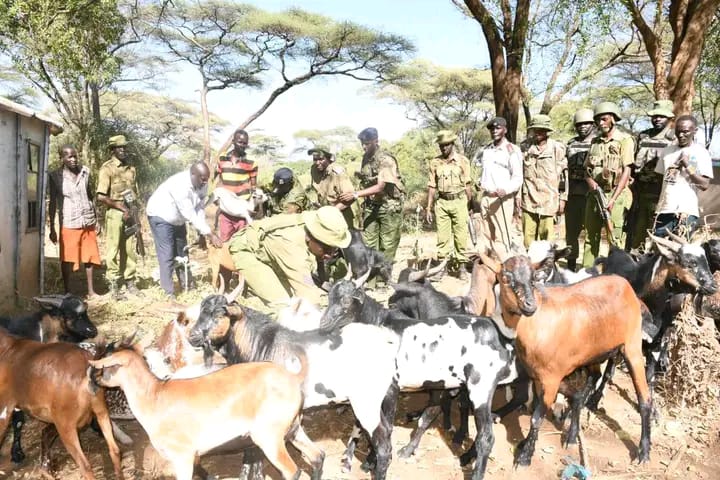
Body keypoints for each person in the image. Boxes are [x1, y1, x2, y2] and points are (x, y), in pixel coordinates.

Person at [227, 206, 351, 306]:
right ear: (310, 237)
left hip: (273, 248)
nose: (329, 255)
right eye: (326, 249)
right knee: (282, 305)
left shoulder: (316, 221)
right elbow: (308, 294)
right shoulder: (293, 249)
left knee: (296, 295)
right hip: (248, 249)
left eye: (334, 249)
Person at [146, 162, 223, 298]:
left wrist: (203, 232)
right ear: (192, 174)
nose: (205, 182)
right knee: (167, 254)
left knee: (182, 252)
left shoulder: (203, 184)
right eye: (202, 179)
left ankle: (187, 284)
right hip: (161, 216)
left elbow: (199, 208)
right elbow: (189, 213)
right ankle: (168, 292)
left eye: (207, 179)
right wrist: (210, 234)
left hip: (178, 219)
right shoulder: (179, 185)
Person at [338, 127, 405, 263]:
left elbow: (381, 186)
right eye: (362, 143)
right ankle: (370, 279)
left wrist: (356, 194)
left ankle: (382, 281)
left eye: (367, 143)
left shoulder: (385, 159)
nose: (364, 146)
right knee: (369, 243)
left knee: (387, 245)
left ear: (376, 141)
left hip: (389, 206)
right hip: (371, 206)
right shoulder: (366, 158)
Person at [582, 102, 634, 267]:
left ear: (613, 118)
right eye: (597, 120)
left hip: (615, 195)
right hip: (595, 195)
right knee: (591, 237)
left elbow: (627, 171)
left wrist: (613, 199)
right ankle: (588, 272)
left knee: (614, 237)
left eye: (604, 119)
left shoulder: (624, 140)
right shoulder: (595, 142)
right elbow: (586, 170)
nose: (600, 123)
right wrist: (592, 185)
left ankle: (615, 272)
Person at [48, 145, 102, 297]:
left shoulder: (85, 172)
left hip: (87, 219)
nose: (72, 159)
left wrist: (97, 218)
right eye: (68, 156)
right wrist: (52, 227)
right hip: (70, 221)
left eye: (74, 156)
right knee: (67, 258)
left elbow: (90, 194)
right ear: (62, 158)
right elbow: (53, 202)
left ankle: (91, 291)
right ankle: (68, 292)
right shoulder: (56, 176)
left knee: (89, 255)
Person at [96, 135, 142, 298]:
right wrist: (121, 208)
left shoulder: (131, 168)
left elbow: (133, 193)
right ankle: (114, 285)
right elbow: (101, 197)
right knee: (113, 248)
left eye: (124, 147)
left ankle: (129, 281)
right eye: (119, 147)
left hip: (130, 212)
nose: (123, 150)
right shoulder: (107, 169)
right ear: (113, 150)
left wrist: (134, 212)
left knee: (129, 249)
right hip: (115, 212)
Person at [654, 115, 713, 238]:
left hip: (686, 212)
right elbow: (662, 180)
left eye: (685, 131)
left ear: (694, 131)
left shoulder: (701, 153)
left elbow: (704, 184)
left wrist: (688, 165)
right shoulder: (667, 151)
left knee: (681, 253)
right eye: (678, 131)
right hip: (664, 210)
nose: (681, 135)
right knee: (659, 252)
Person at [628, 99, 676, 249]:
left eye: (661, 116)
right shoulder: (643, 136)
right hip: (640, 192)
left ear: (669, 118)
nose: (657, 119)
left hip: (662, 194)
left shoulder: (674, 138)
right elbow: (632, 163)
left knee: (660, 234)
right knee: (637, 232)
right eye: (655, 116)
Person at [474, 117, 523, 261]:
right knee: (487, 234)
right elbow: (485, 172)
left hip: (502, 199)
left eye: (498, 128)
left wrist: (506, 190)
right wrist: (479, 182)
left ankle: (505, 267)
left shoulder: (512, 150)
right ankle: (491, 267)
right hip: (486, 197)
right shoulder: (487, 150)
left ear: (505, 130)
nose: (494, 131)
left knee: (503, 236)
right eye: (492, 129)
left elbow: (518, 177)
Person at [426, 130, 473, 280]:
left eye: (446, 145)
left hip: (459, 201)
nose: (443, 148)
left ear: (452, 144)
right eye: (441, 145)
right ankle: (442, 268)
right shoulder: (434, 162)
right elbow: (432, 186)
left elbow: (468, 185)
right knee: (443, 237)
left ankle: (462, 267)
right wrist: (428, 208)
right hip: (442, 203)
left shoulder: (463, 161)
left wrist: (470, 205)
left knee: (461, 236)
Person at [519, 115, 567, 248]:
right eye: (536, 130)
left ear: (547, 131)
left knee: (548, 238)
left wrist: (563, 199)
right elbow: (519, 174)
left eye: (542, 130)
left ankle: (547, 265)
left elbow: (563, 177)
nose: (538, 133)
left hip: (550, 200)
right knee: (528, 237)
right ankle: (531, 264)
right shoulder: (525, 147)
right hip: (528, 198)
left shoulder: (557, 148)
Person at [565, 108, 595, 271]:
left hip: (591, 193)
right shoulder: (571, 143)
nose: (582, 127)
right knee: (571, 233)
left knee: (591, 233)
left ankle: (589, 267)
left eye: (586, 124)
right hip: (573, 193)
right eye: (579, 124)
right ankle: (570, 264)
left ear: (593, 124)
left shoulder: (598, 142)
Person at [215, 129, 258, 242]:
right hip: (226, 210)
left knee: (241, 243)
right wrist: (217, 196)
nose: (243, 145)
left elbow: (254, 186)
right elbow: (220, 181)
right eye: (240, 142)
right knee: (224, 242)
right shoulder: (222, 158)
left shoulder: (251, 162)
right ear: (233, 141)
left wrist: (254, 207)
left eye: (245, 143)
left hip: (242, 211)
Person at [306, 146, 356, 227]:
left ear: (329, 159)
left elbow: (351, 197)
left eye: (321, 159)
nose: (317, 162)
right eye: (315, 160)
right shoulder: (314, 169)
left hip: (341, 216)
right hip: (324, 215)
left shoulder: (337, 172)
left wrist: (332, 212)